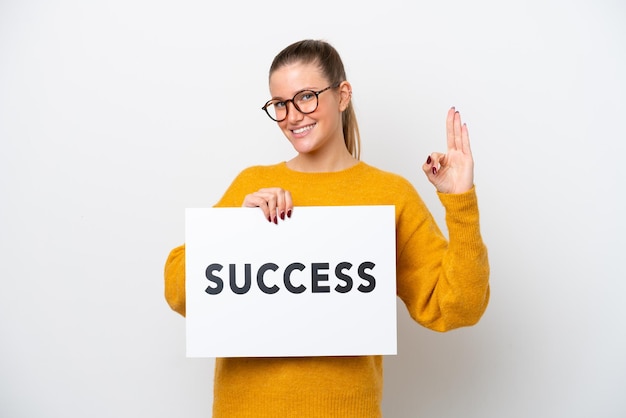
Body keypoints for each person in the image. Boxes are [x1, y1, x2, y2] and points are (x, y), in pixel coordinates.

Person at [164, 39, 490, 418]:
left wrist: (460, 200)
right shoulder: (251, 185)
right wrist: (235, 230)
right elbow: (178, 292)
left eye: (306, 96)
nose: (292, 115)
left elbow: (457, 307)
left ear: (343, 95)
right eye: (280, 104)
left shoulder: (390, 194)